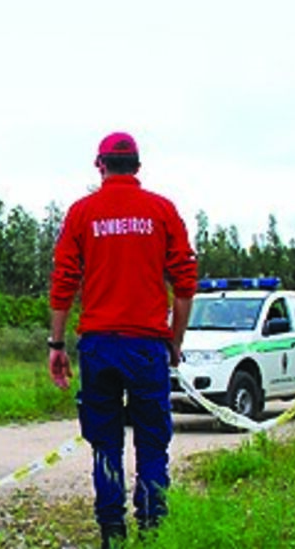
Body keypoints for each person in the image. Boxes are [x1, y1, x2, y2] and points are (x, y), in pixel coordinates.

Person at [47, 132, 197, 548]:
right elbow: (185, 284)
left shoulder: (82, 213)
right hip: (147, 345)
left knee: (105, 445)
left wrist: (56, 345)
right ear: (137, 166)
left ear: (100, 165)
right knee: (152, 444)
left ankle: (112, 534)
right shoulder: (162, 210)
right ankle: (152, 532)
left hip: (99, 345)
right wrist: (175, 340)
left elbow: (64, 282)